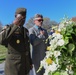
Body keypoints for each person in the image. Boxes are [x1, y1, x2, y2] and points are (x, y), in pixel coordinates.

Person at [0, 7, 32, 75]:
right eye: (20, 17)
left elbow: (27, 48)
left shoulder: (25, 30)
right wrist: (15, 25)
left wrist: (30, 62)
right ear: (15, 16)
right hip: (14, 67)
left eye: (24, 17)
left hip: (25, 65)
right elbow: (2, 41)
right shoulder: (9, 28)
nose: (22, 19)